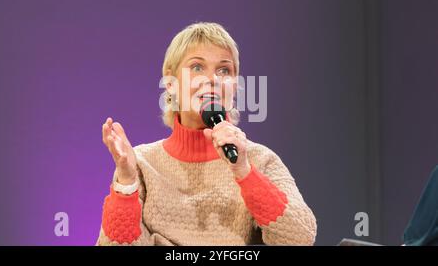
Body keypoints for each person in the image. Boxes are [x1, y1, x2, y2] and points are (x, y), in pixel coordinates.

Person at [96, 22, 317, 245]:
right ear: (171, 83)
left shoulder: (260, 160)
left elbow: (300, 238)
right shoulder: (141, 164)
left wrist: (244, 172)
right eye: (197, 67)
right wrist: (126, 181)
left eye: (224, 70)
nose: (212, 79)